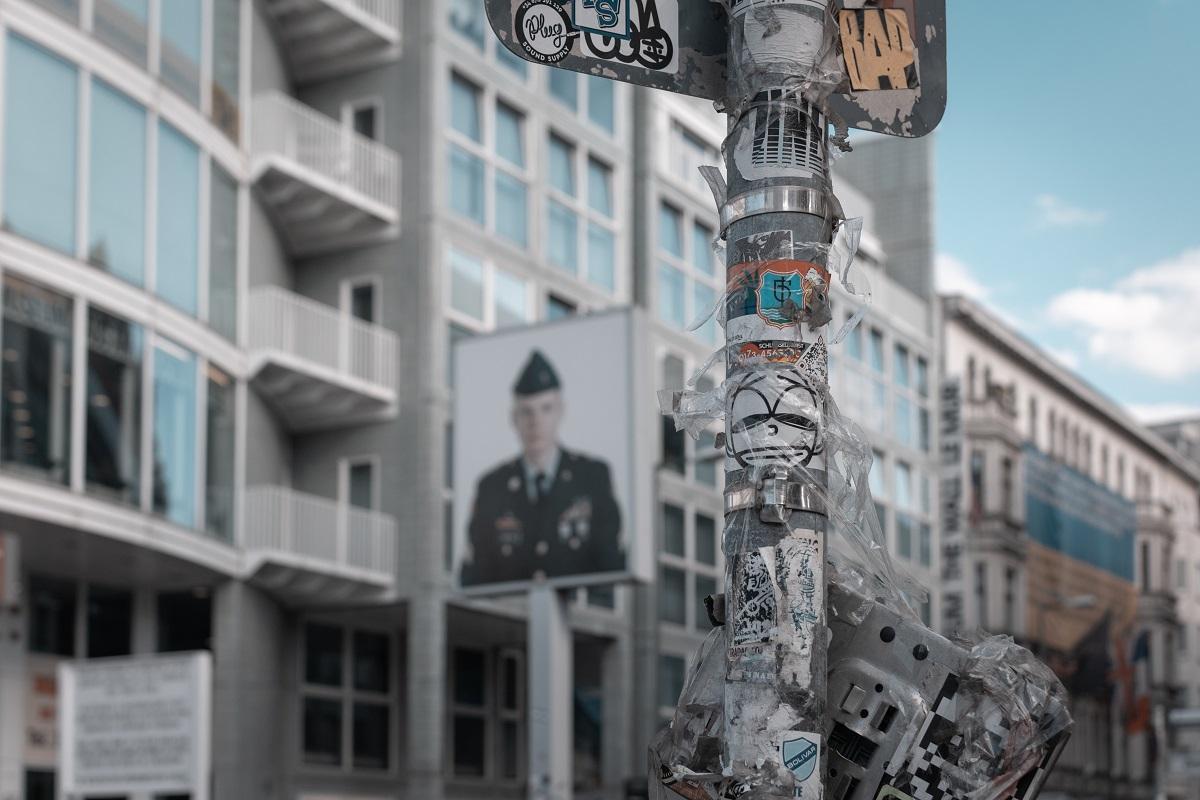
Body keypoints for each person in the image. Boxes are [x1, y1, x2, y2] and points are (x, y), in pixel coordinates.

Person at [461, 350, 623, 587]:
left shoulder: (592, 477)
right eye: (526, 412)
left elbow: (612, 564)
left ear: (560, 411)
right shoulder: (491, 487)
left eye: (545, 409)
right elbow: (475, 575)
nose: (535, 422)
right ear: (513, 418)